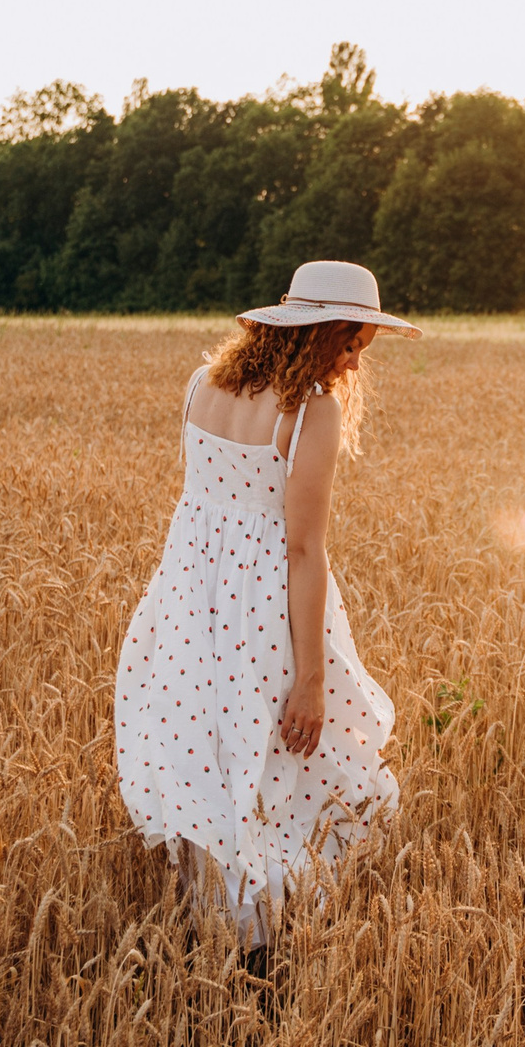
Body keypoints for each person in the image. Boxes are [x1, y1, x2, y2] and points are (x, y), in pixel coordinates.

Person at [113, 260, 417, 967]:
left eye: (362, 345)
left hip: (190, 598)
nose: (353, 359)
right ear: (313, 331)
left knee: (211, 758)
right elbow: (303, 548)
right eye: (349, 340)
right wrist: (311, 675)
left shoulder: (203, 384)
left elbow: (205, 508)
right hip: (263, 609)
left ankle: (219, 928)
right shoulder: (311, 408)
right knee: (289, 766)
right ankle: (262, 946)